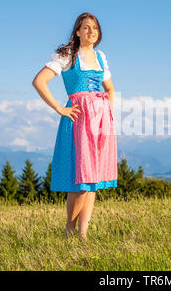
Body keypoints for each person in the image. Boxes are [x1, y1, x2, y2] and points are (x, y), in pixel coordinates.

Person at [32, 12, 118, 241]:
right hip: (78, 118)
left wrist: (107, 112)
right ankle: (69, 229)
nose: (91, 32)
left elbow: (110, 88)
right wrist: (60, 109)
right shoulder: (68, 55)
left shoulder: (101, 57)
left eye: (95, 28)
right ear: (77, 31)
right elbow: (39, 81)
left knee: (93, 181)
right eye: (86, 27)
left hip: (100, 121)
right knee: (79, 180)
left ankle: (83, 235)